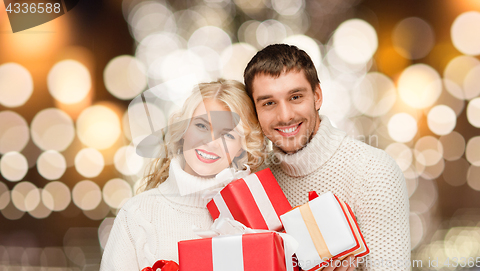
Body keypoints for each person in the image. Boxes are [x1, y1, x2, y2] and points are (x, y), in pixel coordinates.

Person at [243, 44, 411, 271]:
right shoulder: (253, 181)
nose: (285, 115)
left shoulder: (373, 171)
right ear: (255, 110)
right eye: (269, 103)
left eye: (295, 97)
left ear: (317, 96)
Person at [100, 79, 265, 270]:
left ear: (240, 149)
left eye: (228, 135)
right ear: (184, 129)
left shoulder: (254, 219)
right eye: (202, 126)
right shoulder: (137, 214)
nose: (211, 143)